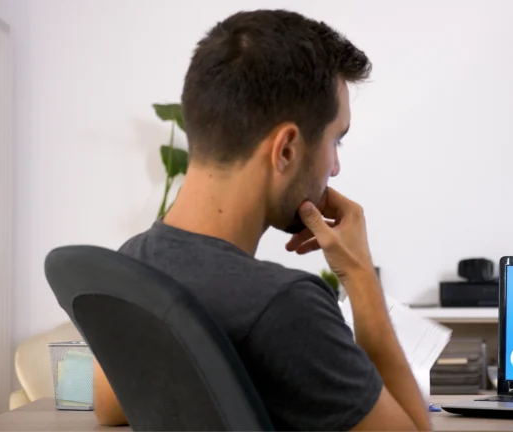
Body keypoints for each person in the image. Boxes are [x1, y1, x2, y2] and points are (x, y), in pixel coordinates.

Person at [91, 9, 431, 432]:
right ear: (286, 149)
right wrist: (360, 273)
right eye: (335, 140)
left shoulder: (132, 265)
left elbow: (108, 408)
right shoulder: (285, 307)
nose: (336, 167)